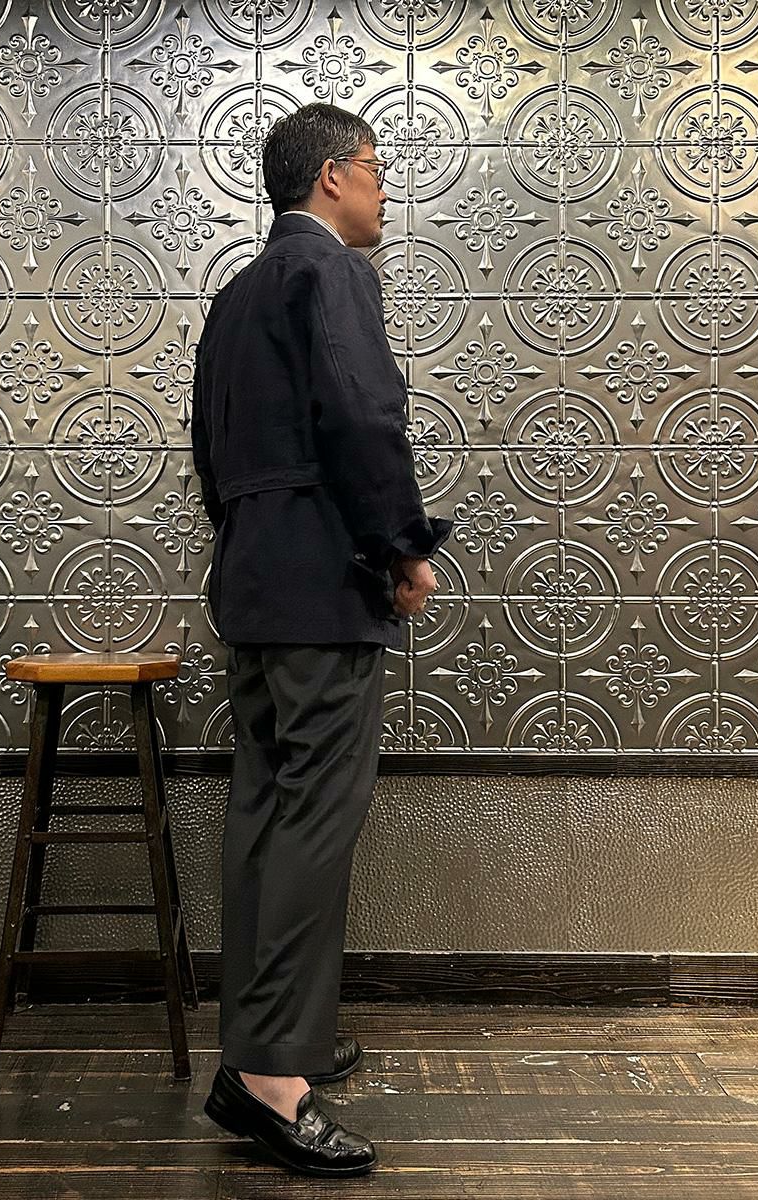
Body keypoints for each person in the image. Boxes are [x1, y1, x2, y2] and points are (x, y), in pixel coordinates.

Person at [190, 102, 452, 1179]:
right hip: (322, 588)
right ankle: (271, 1077)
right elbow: (364, 417)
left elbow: (208, 452)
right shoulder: (333, 271)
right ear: (333, 176)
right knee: (314, 823)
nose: (385, 191)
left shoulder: (236, 294)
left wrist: (258, 539)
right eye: (377, 170)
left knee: (263, 816)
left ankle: (262, 1041)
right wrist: (401, 548)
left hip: (253, 585)